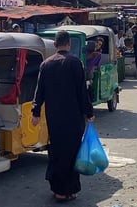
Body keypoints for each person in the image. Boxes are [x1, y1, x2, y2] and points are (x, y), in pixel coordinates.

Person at [31, 30, 94, 203]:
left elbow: (39, 92)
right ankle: (70, 190)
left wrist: (35, 113)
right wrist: (89, 112)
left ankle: (58, 190)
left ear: (55, 45)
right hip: (74, 119)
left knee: (57, 152)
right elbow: (82, 92)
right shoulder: (75, 63)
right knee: (73, 153)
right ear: (69, 44)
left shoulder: (46, 64)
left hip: (55, 119)